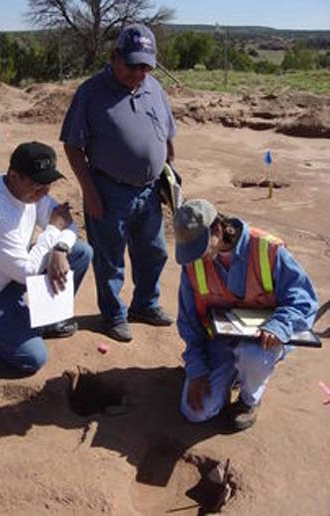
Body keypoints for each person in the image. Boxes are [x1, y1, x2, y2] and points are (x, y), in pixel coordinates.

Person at [60, 24, 177, 342]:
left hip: (150, 191)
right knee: (110, 258)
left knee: (154, 252)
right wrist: (90, 191)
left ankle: (145, 305)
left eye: (145, 66)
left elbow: (167, 135)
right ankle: (113, 315)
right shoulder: (91, 93)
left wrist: (169, 174)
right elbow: (72, 145)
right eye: (132, 65)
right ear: (114, 57)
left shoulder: (154, 88)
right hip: (108, 191)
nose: (138, 73)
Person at [0, 142, 92, 374]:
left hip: (9, 270)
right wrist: (54, 230)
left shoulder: (30, 191)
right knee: (32, 358)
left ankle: (46, 320)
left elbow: (66, 222)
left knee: (80, 253)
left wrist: (61, 247)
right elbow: (28, 272)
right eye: (37, 185)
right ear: (14, 176)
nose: (44, 192)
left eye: (48, 184)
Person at [174, 199, 318, 431]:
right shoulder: (193, 264)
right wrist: (196, 367)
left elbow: (303, 299)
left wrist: (279, 326)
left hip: (261, 343)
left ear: (218, 229)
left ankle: (249, 399)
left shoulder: (267, 249)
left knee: (252, 355)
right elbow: (189, 321)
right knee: (196, 411)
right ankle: (232, 373)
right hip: (219, 341)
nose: (198, 257)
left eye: (202, 248)